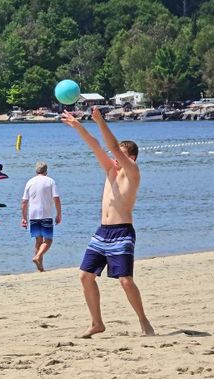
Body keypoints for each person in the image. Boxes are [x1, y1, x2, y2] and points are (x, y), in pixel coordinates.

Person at [62, 107, 155, 338]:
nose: (114, 158)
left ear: (130, 157)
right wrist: (78, 126)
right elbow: (96, 145)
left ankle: (144, 321)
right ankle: (97, 323)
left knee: (125, 280)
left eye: (119, 156)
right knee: (85, 276)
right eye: (115, 157)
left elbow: (112, 146)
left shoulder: (132, 171)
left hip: (122, 232)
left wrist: (100, 120)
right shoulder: (110, 169)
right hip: (102, 232)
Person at [21, 161, 61, 272]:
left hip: (33, 215)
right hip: (46, 214)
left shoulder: (30, 182)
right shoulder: (50, 181)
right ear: (46, 171)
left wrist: (24, 217)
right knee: (48, 240)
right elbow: (56, 198)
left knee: (38, 241)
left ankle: (40, 268)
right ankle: (38, 257)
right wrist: (59, 214)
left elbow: (24, 202)